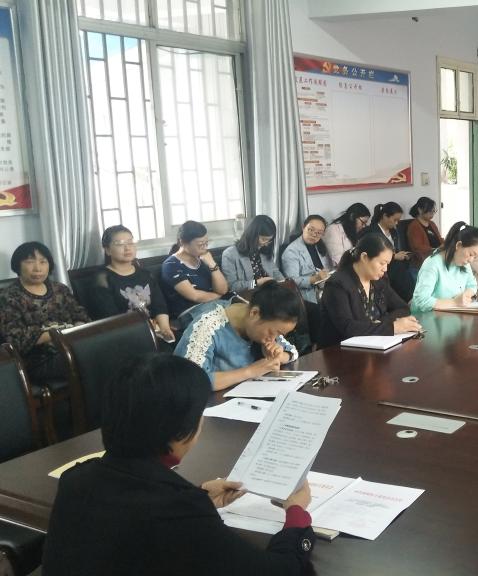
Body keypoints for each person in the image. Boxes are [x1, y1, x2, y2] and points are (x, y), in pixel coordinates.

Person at [42, 354, 314, 576]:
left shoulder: (75, 479)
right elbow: (277, 570)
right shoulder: (178, 509)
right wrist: (296, 513)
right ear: (180, 431)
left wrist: (199, 496)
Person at [175, 282, 300, 391]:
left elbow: (292, 352)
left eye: (280, 334)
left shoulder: (262, 320)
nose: (273, 338)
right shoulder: (208, 326)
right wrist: (250, 371)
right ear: (254, 313)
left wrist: (277, 356)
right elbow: (192, 381)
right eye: (273, 332)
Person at [0, 242, 90, 385]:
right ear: (18, 265)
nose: (37, 268)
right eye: (30, 262)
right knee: (91, 359)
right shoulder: (8, 297)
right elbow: (16, 340)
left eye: (43, 262)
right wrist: (59, 333)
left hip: (71, 347)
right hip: (37, 361)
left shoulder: (60, 289)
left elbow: (80, 315)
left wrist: (77, 329)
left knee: (103, 350)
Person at [319, 234, 422, 345]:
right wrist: (393, 327)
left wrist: (382, 322)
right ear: (364, 257)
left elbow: (403, 308)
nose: (385, 269)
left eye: (387, 264)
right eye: (382, 263)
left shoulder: (379, 280)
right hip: (339, 350)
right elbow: (348, 328)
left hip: (374, 345)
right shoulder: (337, 284)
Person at [93, 225, 174, 342]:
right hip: (124, 335)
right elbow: (110, 317)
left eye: (130, 242)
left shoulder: (145, 274)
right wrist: (146, 328)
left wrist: (165, 328)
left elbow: (159, 305)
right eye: (120, 244)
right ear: (107, 250)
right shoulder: (102, 279)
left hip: (154, 330)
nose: (127, 248)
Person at [410, 222, 478, 313]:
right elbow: (421, 300)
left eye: (475, 257)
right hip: (426, 317)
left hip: (450, 314)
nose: (471, 260)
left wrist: (467, 294)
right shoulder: (432, 264)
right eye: (471, 254)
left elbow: (472, 285)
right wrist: (455, 302)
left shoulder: (464, 263)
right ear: (458, 245)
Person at [161, 221, 228, 319]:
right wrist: (218, 296)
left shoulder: (204, 258)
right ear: (182, 242)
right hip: (192, 312)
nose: (205, 247)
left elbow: (223, 290)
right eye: (200, 244)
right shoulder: (171, 265)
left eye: (206, 243)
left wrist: (212, 264)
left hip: (215, 305)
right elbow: (194, 296)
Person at [361, 202, 415, 301]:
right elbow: (371, 254)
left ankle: (411, 298)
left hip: (393, 265)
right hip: (379, 266)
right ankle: (410, 299)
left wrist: (401, 255)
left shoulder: (394, 232)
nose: (397, 223)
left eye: (398, 220)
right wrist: (394, 256)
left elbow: (395, 249)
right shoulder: (371, 232)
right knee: (399, 270)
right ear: (385, 216)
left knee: (405, 270)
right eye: (395, 220)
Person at [220, 215, 285, 292]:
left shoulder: (264, 250)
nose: (266, 244)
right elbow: (233, 286)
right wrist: (256, 283)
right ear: (252, 235)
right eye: (264, 239)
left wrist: (283, 282)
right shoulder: (230, 254)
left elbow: (275, 271)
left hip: (269, 292)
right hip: (249, 294)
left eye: (269, 240)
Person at [281, 214, 331, 303]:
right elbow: (291, 281)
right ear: (303, 227)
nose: (314, 235)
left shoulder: (320, 246)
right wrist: (314, 279)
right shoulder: (291, 251)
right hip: (306, 297)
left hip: (325, 290)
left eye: (319, 233)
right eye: (311, 230)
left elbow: (327, 268)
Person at [323, 202, 371, 268]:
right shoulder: (333, 230)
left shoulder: (352, 231)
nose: (363, 226)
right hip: (338, 270)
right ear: (352, 216)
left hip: (351, 268)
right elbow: (339, 261)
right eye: (363, 223)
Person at [405, 196, 443, 267]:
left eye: (433, 211)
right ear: (420, 210)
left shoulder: (432, 224)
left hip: (437, 255)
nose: (432, 214)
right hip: (425, 259)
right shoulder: (414, 226)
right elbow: (418, 247)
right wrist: (436, 250)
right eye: (429, 211)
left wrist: (447, 244)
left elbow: (439, 239)